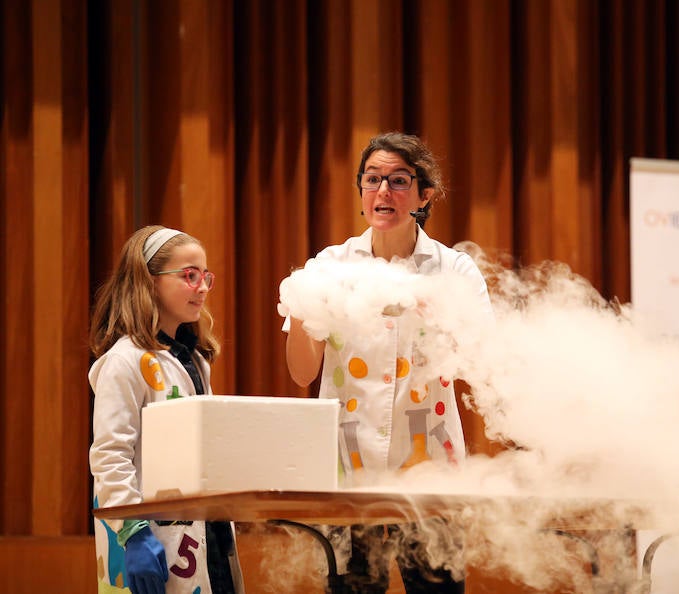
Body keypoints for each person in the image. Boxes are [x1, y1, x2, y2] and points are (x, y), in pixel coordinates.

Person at [280, 132, 493, 593]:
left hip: (431, 472)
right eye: (372, 179)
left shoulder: (453, 271)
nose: (383, 192)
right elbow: (301, 372)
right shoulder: (331, 267)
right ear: (360, 190)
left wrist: (444, 317)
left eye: (399, 180)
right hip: (348, 472)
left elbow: (480, 362)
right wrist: (301, 307)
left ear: (424, 194)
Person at [89, 225, 244, 594]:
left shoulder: (194, 360)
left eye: (206, 276)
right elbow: (111, 456)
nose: (203, 287)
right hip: (150, 540)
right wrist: (133, 532)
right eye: (189, 276)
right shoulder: (124, 362)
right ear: (149, 281)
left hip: (208, 537)